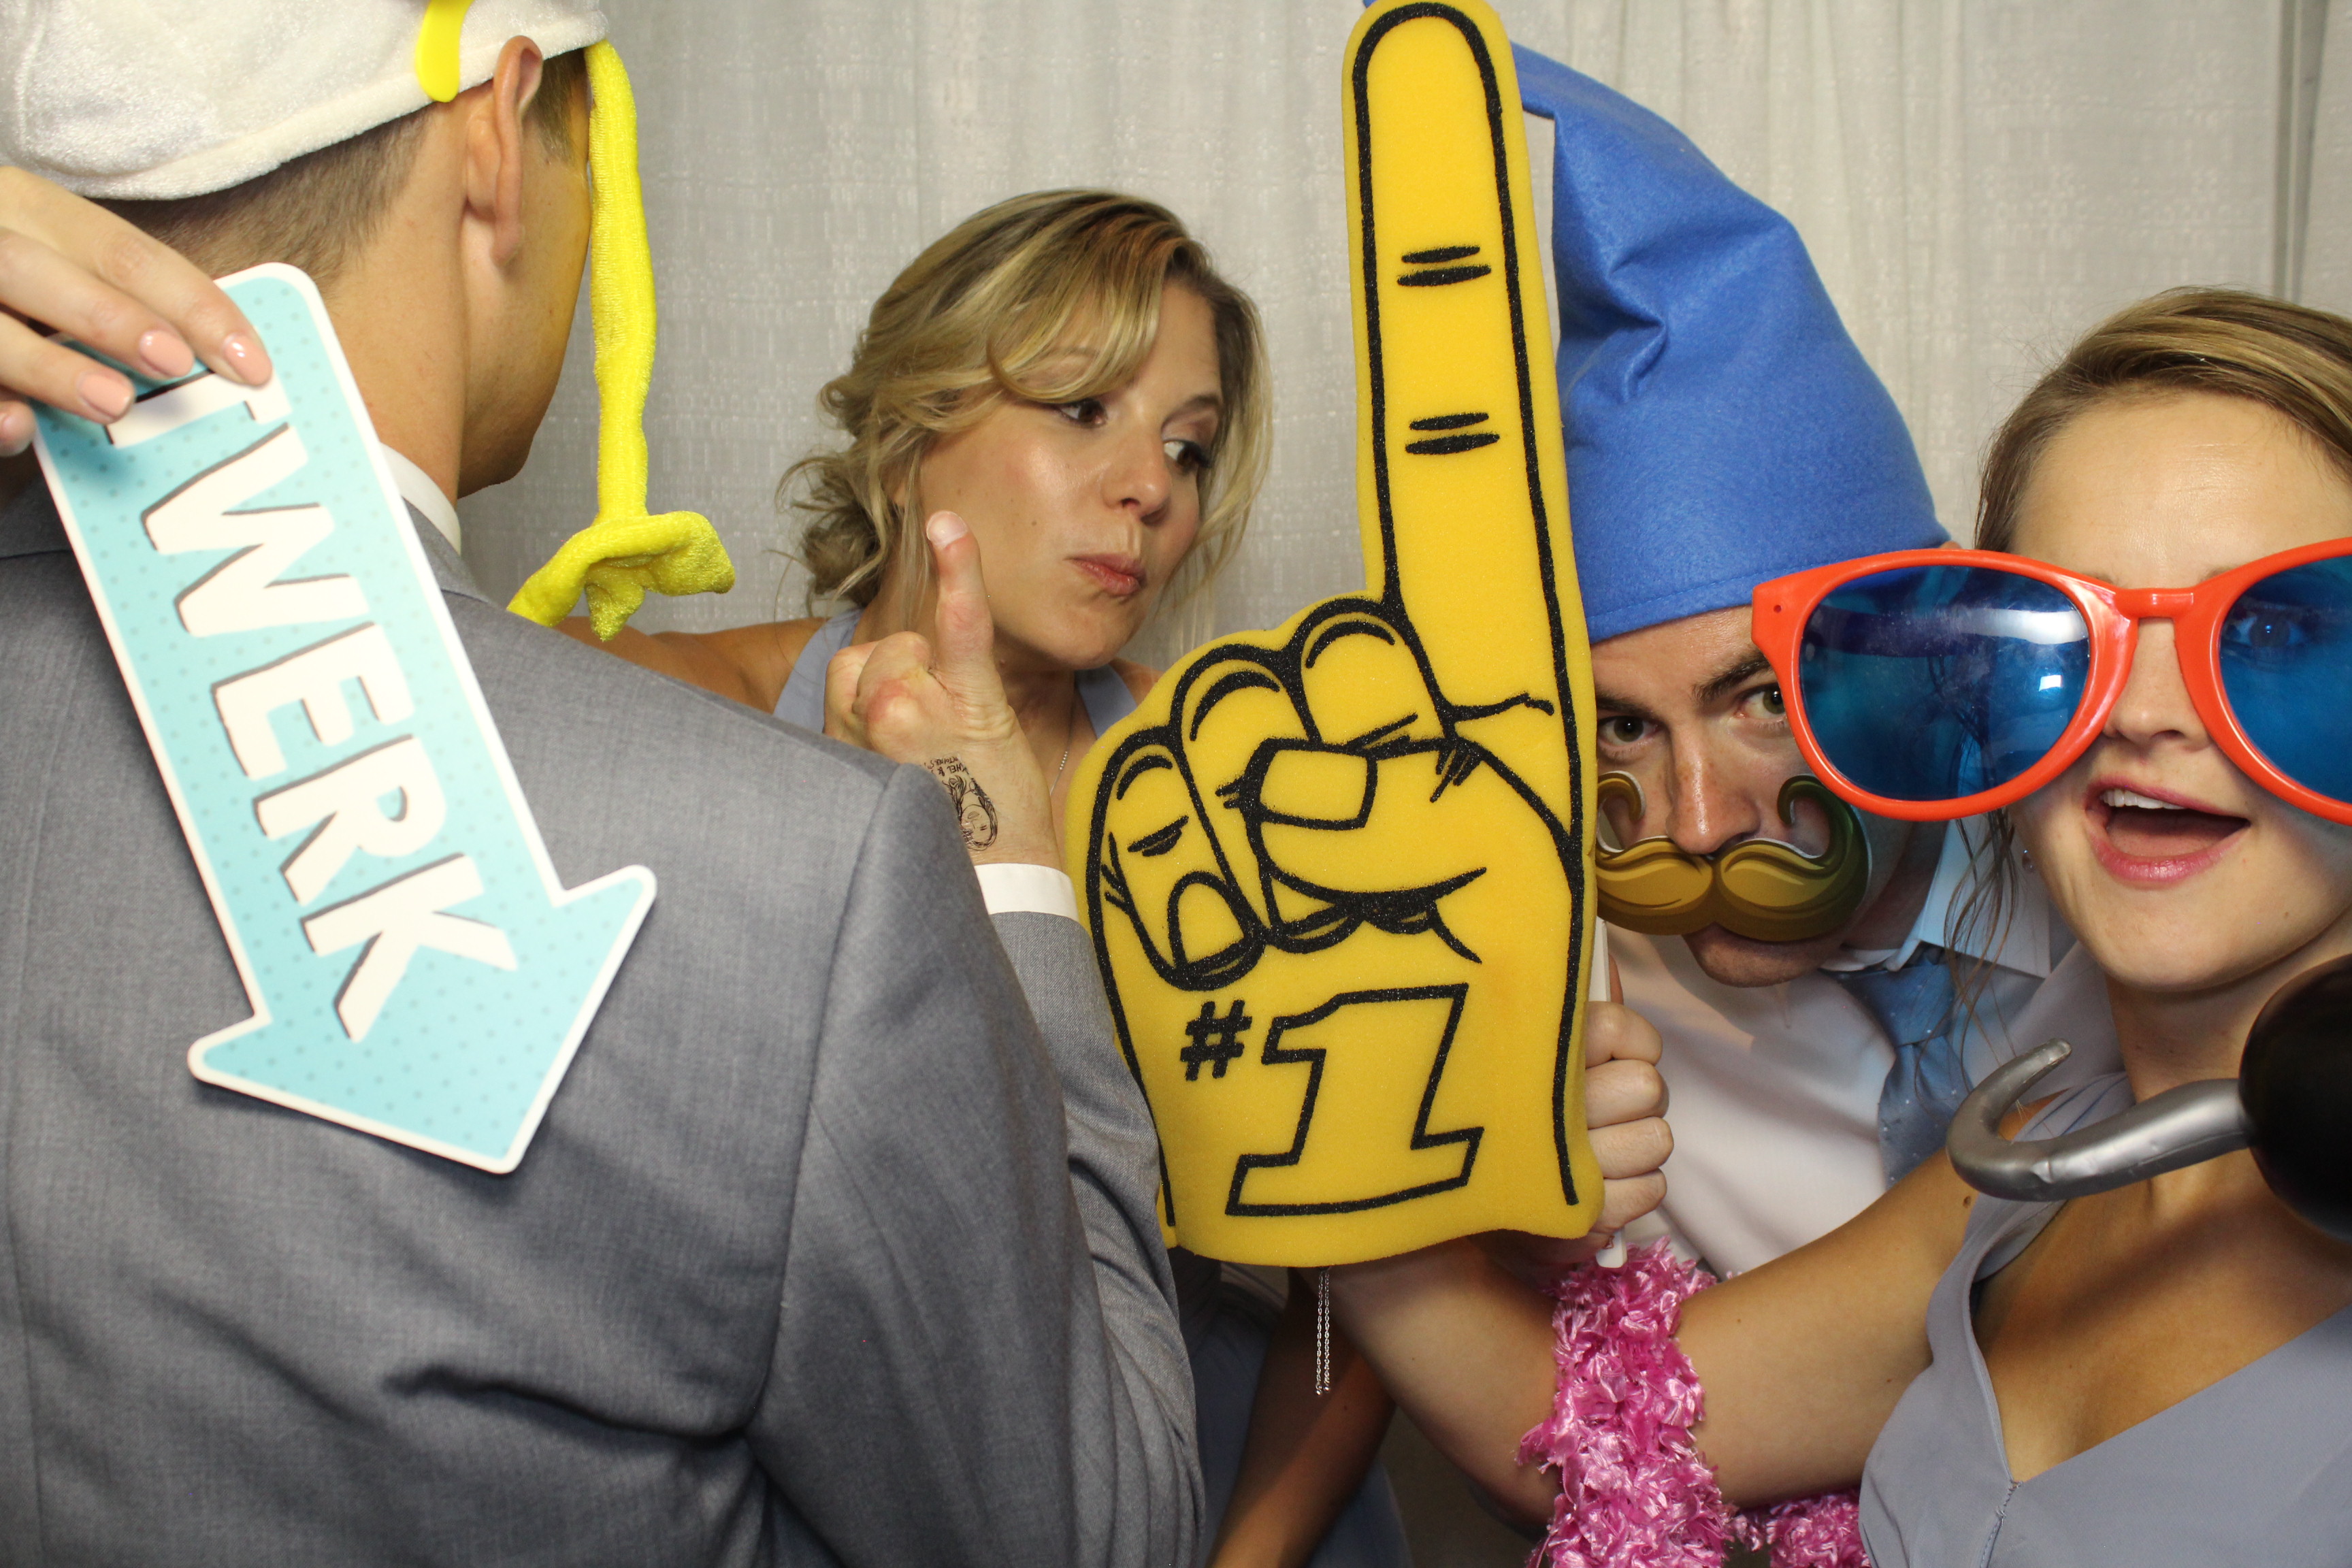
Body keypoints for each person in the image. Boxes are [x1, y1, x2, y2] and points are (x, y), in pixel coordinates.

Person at [0, 7, 1200, 1561]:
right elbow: (1090, 1533)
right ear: (500, 134)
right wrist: (1016, 887)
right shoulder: (802, 873)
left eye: (1189, 441)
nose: (1147, 487)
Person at [1330, 287, 2352, 1565]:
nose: (2143, 711)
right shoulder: (2036, 1151)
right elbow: (1600, 1435)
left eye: (2282, 635)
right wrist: (1324, 1140)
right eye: (2062, 634)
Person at [559, 188, 1412, 1568]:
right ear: (910, 435)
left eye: (1187, 448)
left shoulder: (1252, 788)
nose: (1150, 486)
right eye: (1085, 411)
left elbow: (1353, 1286)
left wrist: (1237, 1560)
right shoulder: (664, 713)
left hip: (1219, 1502)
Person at [1513, 46, 2118, 1279]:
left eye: (1764, 701)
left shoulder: (2132, 895)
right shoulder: (1572, 1003)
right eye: (1623, 727)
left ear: (1936, 659)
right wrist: (1508, 1233)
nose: (1694, 827)